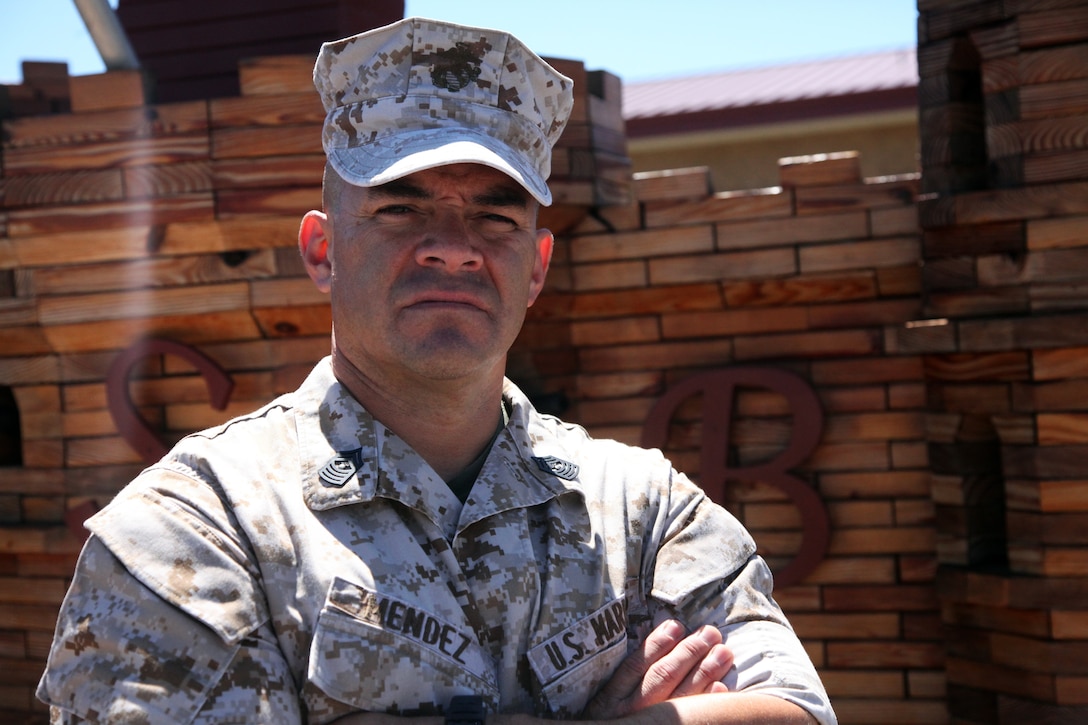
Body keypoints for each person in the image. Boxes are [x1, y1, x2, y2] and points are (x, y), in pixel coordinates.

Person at [37, 16, 836, 725]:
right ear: (323, 250)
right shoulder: (193, 528)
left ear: (535, 267)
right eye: (400, 207)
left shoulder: (644, 508)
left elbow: (795, 708)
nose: (453, 244)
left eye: (495, 214)